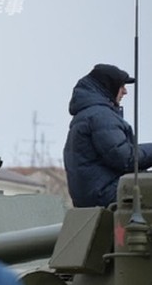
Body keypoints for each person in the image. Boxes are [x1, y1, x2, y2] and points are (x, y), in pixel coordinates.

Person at [64, 62, 149, 207]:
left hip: (96, 193)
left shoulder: (90, 114)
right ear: (108, 86)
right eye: (121, 86)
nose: (125, 92)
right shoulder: (100, 116)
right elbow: (126, 159)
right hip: (106, 193)